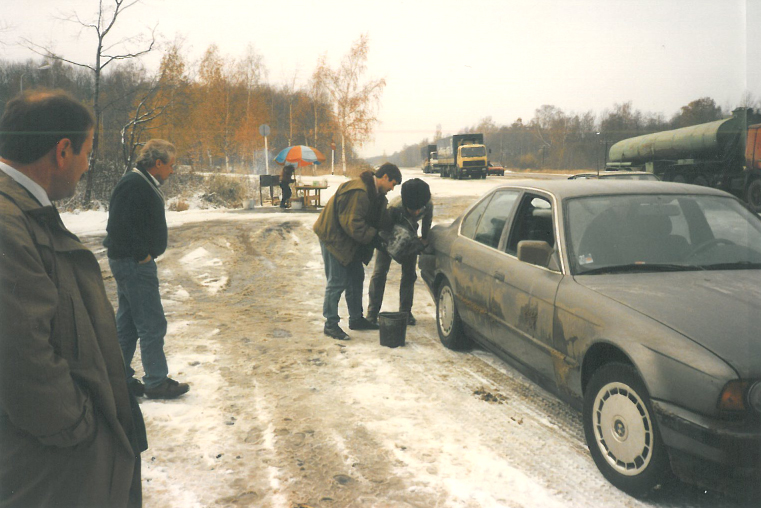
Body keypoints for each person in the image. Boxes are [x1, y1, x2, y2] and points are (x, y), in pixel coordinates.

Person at [0, 89, 146, 507]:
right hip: (51, 466)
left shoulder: (24, 210)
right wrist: (80, 429)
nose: (88, 164)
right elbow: (20, 357)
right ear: (63, 150)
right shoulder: (7, 222)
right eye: (87, 151)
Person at [104, 139, 190, 399]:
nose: (172, 171)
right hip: (133, 265)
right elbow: (118, 227)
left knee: (129, 323)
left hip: (130, 263)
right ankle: (156, 382)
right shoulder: (134, 184)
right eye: (170, 165)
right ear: (158, 163)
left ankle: (117, 379)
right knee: (152, 324)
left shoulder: (140, 181)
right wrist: (142, 255)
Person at [313, 163, 402, 340]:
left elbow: (379, 219)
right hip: (334, 239)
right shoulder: (359, 191)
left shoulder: (376, 195)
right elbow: (352, 224)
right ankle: (330, 324)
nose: (392, 189)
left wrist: (394, 225)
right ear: (384, 177)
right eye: (393, 183)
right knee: (337, 282)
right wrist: (375, 238)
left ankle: (356, 319)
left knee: (356, 278)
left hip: (350, 240)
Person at [367, 178, 433, 326]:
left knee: (410, 274)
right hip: (389, 235)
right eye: (412, 209)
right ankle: (372, 313)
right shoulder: (394, 208)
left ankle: (405, 312)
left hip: (410, 237)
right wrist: (388, 246)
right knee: (379, 272)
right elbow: (383, 230)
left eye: (419, 209)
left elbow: (427, 222)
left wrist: (424, 239)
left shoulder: (427, 204)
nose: (416, 212)